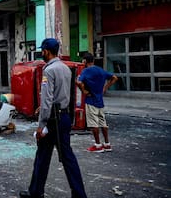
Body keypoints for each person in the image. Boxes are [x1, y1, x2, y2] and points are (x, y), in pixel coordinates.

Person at [20, 38, 87, 198]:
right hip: (63, 116)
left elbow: (47, 98)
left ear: (46, 51)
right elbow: (64, 95)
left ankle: (36, 192)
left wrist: (41, 124)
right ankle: (79, 194)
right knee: (67, 157)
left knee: (43, 156)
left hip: (51, 119)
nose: (41, 53)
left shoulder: (49, 70)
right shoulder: (65, 68)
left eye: (42, 51)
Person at [76, 53, 118, 153]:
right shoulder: (100, 70)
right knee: (103, 123)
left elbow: (78, 82)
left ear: (85, 61)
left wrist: (83, 91)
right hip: (100, 101)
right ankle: (107, 144)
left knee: (93, 124)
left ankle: (98, 145)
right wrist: (105, 88)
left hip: (91, 101)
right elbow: (115, 77)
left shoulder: (85, 71)